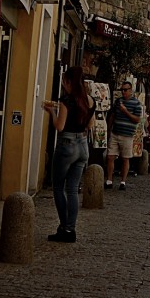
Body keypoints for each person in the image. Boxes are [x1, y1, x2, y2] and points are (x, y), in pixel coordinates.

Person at [42, 67, 95, 243]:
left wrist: (51, 111)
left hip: (67, 144)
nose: (63, 83)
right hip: (83, 146)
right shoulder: (89, 100)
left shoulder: (66, 100)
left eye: (65, 80)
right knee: (72, 189)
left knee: (58, 187)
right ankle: (70, 229)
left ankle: (65, 228)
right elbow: (90, 125)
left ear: (69, 82)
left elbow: (59, 126)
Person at [106, 81, 142, 190]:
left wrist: (125, 111)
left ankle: (123, 182)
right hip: (115, 133)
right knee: (110, 156)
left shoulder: (136, 104)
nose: (123, 92)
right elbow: (112, 115)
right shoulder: (118, 101)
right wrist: (108, 129)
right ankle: (109, 180)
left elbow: (137, 119)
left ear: (131, 91)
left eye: (125, 90)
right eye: (122, 90)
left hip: (127, 135)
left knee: (125, 158)